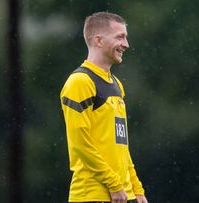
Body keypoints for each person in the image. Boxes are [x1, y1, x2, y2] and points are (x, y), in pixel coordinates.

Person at [60, 12, 148, 203]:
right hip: (92, 195)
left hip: (122, 195)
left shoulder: (116, 85)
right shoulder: (80, 82)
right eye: (120, 37)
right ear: (98, 40)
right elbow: (80, 144)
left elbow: (121, 146)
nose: (126, 44)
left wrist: (136, 187)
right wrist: (113, 183)